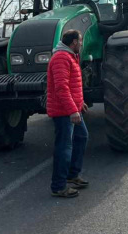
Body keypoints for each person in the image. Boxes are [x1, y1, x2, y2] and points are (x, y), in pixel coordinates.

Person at [47, 29, 89, 198]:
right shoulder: (61, 58)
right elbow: (61, 88)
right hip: (63, 111)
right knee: (64, 147)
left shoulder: (70, 56)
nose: (81, 44)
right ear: (73, 43)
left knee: (82, 137)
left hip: (72, 107)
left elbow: (72, 85)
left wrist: (80, 104)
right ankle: (58, 186)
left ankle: (72, 175)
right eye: (80, 41)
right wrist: (73, 110)